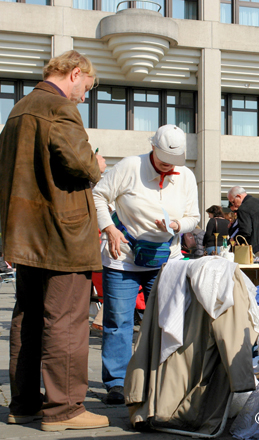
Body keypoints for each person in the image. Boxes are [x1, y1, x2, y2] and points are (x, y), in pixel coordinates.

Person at [0, 50, 110, 431]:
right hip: (63, 234)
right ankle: (65, 410)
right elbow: (79, 164)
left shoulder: (17, 111)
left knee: (28, 318)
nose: (84, 96)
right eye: (87, 88)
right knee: (66, 320)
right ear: (75, 74)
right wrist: (96, 165)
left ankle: (24, 404)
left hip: (26, 234)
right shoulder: (60, 109)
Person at [92, 124, 200, 405]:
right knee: (118, 321)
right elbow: (98, 195)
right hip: (123, 258)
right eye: (163, 163)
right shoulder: (130, 167)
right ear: (152, 148)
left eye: (173, 165)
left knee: (168, 320)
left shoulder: (186, 176)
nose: (168, 169)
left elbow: (193, 217)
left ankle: (161, 376)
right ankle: (116, 383)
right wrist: (109, 228)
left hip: (165, 258)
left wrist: (177, 224)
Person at [227, 186, 259, 257]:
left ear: (238, 196)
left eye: (233, 202)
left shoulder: (243, 208)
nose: (234, 205)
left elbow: (246, 231)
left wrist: (234, 239)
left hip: (255, 248)